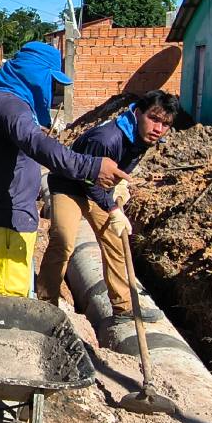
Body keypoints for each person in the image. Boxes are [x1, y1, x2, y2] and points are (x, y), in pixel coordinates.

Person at [0, 42, 130, 298]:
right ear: (33, 73)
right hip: (9, 216)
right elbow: (38, 145)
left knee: (0, 286)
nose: (51, 90)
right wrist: (92, 166)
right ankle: (7, 336)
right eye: (49, 81)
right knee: (9, 297)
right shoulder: (11, 105)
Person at [37, 90, 179, 325]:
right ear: (138, 112)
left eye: (165, 124)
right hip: (70, 185)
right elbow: (88, 179)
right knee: (63, 241)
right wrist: (112, 209)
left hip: (99, 188)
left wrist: (119, 186)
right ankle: (45, 305)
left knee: (116, 242)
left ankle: (123, 307)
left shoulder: (144, 136)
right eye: (154, 119)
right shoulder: (106, 139)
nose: (159, 128)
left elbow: (110, 175)